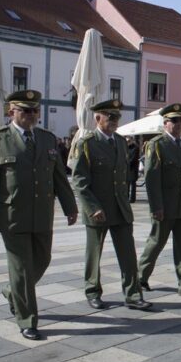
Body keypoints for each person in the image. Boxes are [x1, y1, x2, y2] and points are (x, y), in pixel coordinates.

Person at [0, 90, 78, 340]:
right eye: (25, 110)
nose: (31, 115)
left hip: (42, 213)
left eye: (34, 110)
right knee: (21, 268)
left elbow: (59, 177)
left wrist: (70, 206)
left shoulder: (47, 139)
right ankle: (27, 319)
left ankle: (13, 291)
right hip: (12, 215)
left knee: (42, 260)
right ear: (12, 112)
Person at [69, 100, 151, 311]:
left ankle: (133, 294)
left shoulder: (121, 142)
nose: (115, 122)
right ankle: (92, 291)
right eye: (110, 117)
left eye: (117, 118)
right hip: (98, 209)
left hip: (120, 208)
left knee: (128, 253)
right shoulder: (86, 144)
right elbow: (79, 180)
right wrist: (92, 207)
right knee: (94, 253)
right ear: (98, 118)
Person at [137, 103, 181, 299]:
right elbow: (152, 178)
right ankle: (140, 277)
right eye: (174, 120)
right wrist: (156, 206)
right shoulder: (157, 145)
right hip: (166, 206)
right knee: (156, 242)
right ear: (165, 123)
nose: (179, 124)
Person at [126, 136, 140, 203]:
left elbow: (133, 158)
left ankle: (132, 198)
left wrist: (127, 163)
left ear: (132, 140)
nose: (127, 142)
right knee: (127, 183)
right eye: (127, 141)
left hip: (133, 168)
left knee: (132, 183)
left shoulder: (135, 147)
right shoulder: (126, 148)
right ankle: (127, 197)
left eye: (128, 141)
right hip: (127, 168)